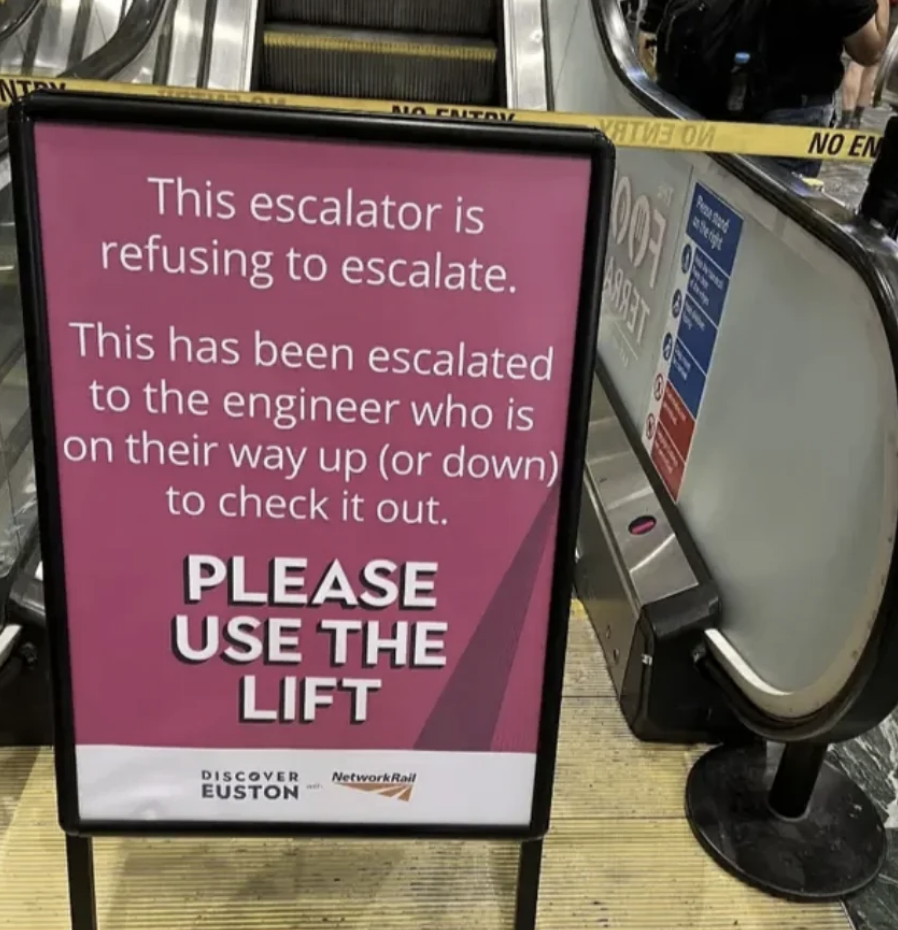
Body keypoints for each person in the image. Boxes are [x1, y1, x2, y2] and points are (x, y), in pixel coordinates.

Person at [639, 0, 890, 178]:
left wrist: (650, 20)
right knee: (769, 231)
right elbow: (869, 49)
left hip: (704, 83)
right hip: (788, 111)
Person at [838, 0, 898, 128]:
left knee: (857, 64)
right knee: (874, 64)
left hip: (873, 5)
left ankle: (846, 119)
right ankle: (856, 118)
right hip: (892, 9)